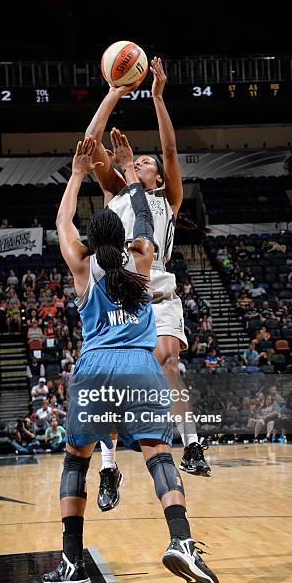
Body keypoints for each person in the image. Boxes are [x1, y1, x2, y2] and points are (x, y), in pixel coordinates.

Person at [42, 136, 220, 583]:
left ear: (92, 239)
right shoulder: (142, 259)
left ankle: (72, 561)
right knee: (158, 456)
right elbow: (143, 219)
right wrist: (128, 172)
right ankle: (182, 541)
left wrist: (79, 173)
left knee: (75, 462)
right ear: (124, 240)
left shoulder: (82, 266)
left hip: (95, 368)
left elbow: (62, 221)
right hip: (141, 367)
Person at [86, 57, 211, 511]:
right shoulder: (116, 192)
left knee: (168, 360)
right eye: (135, 160)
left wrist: (157, 96)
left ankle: (191, 441)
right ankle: (108, 466)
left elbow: (172, 150)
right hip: (117, 294)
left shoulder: (167, 199)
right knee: (111, 386)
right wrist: (116, 90)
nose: (140, 161)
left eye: (146, 161)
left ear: (156, 175)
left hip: (157, 294)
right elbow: (91, 141)